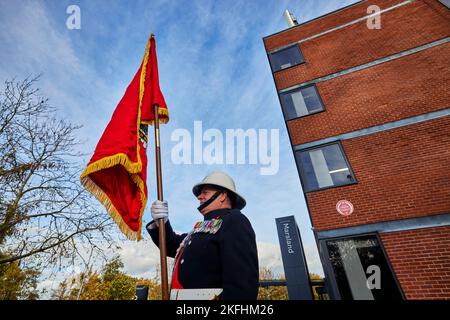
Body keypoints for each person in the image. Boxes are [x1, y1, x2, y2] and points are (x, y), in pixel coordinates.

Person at [146, 171, 259, 300]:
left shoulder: (234, 220)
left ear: (222, 195)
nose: (199, 197)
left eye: (205, 192)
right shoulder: (199, 229)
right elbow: (171, 245)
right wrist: (161, 222)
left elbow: (242, 283)